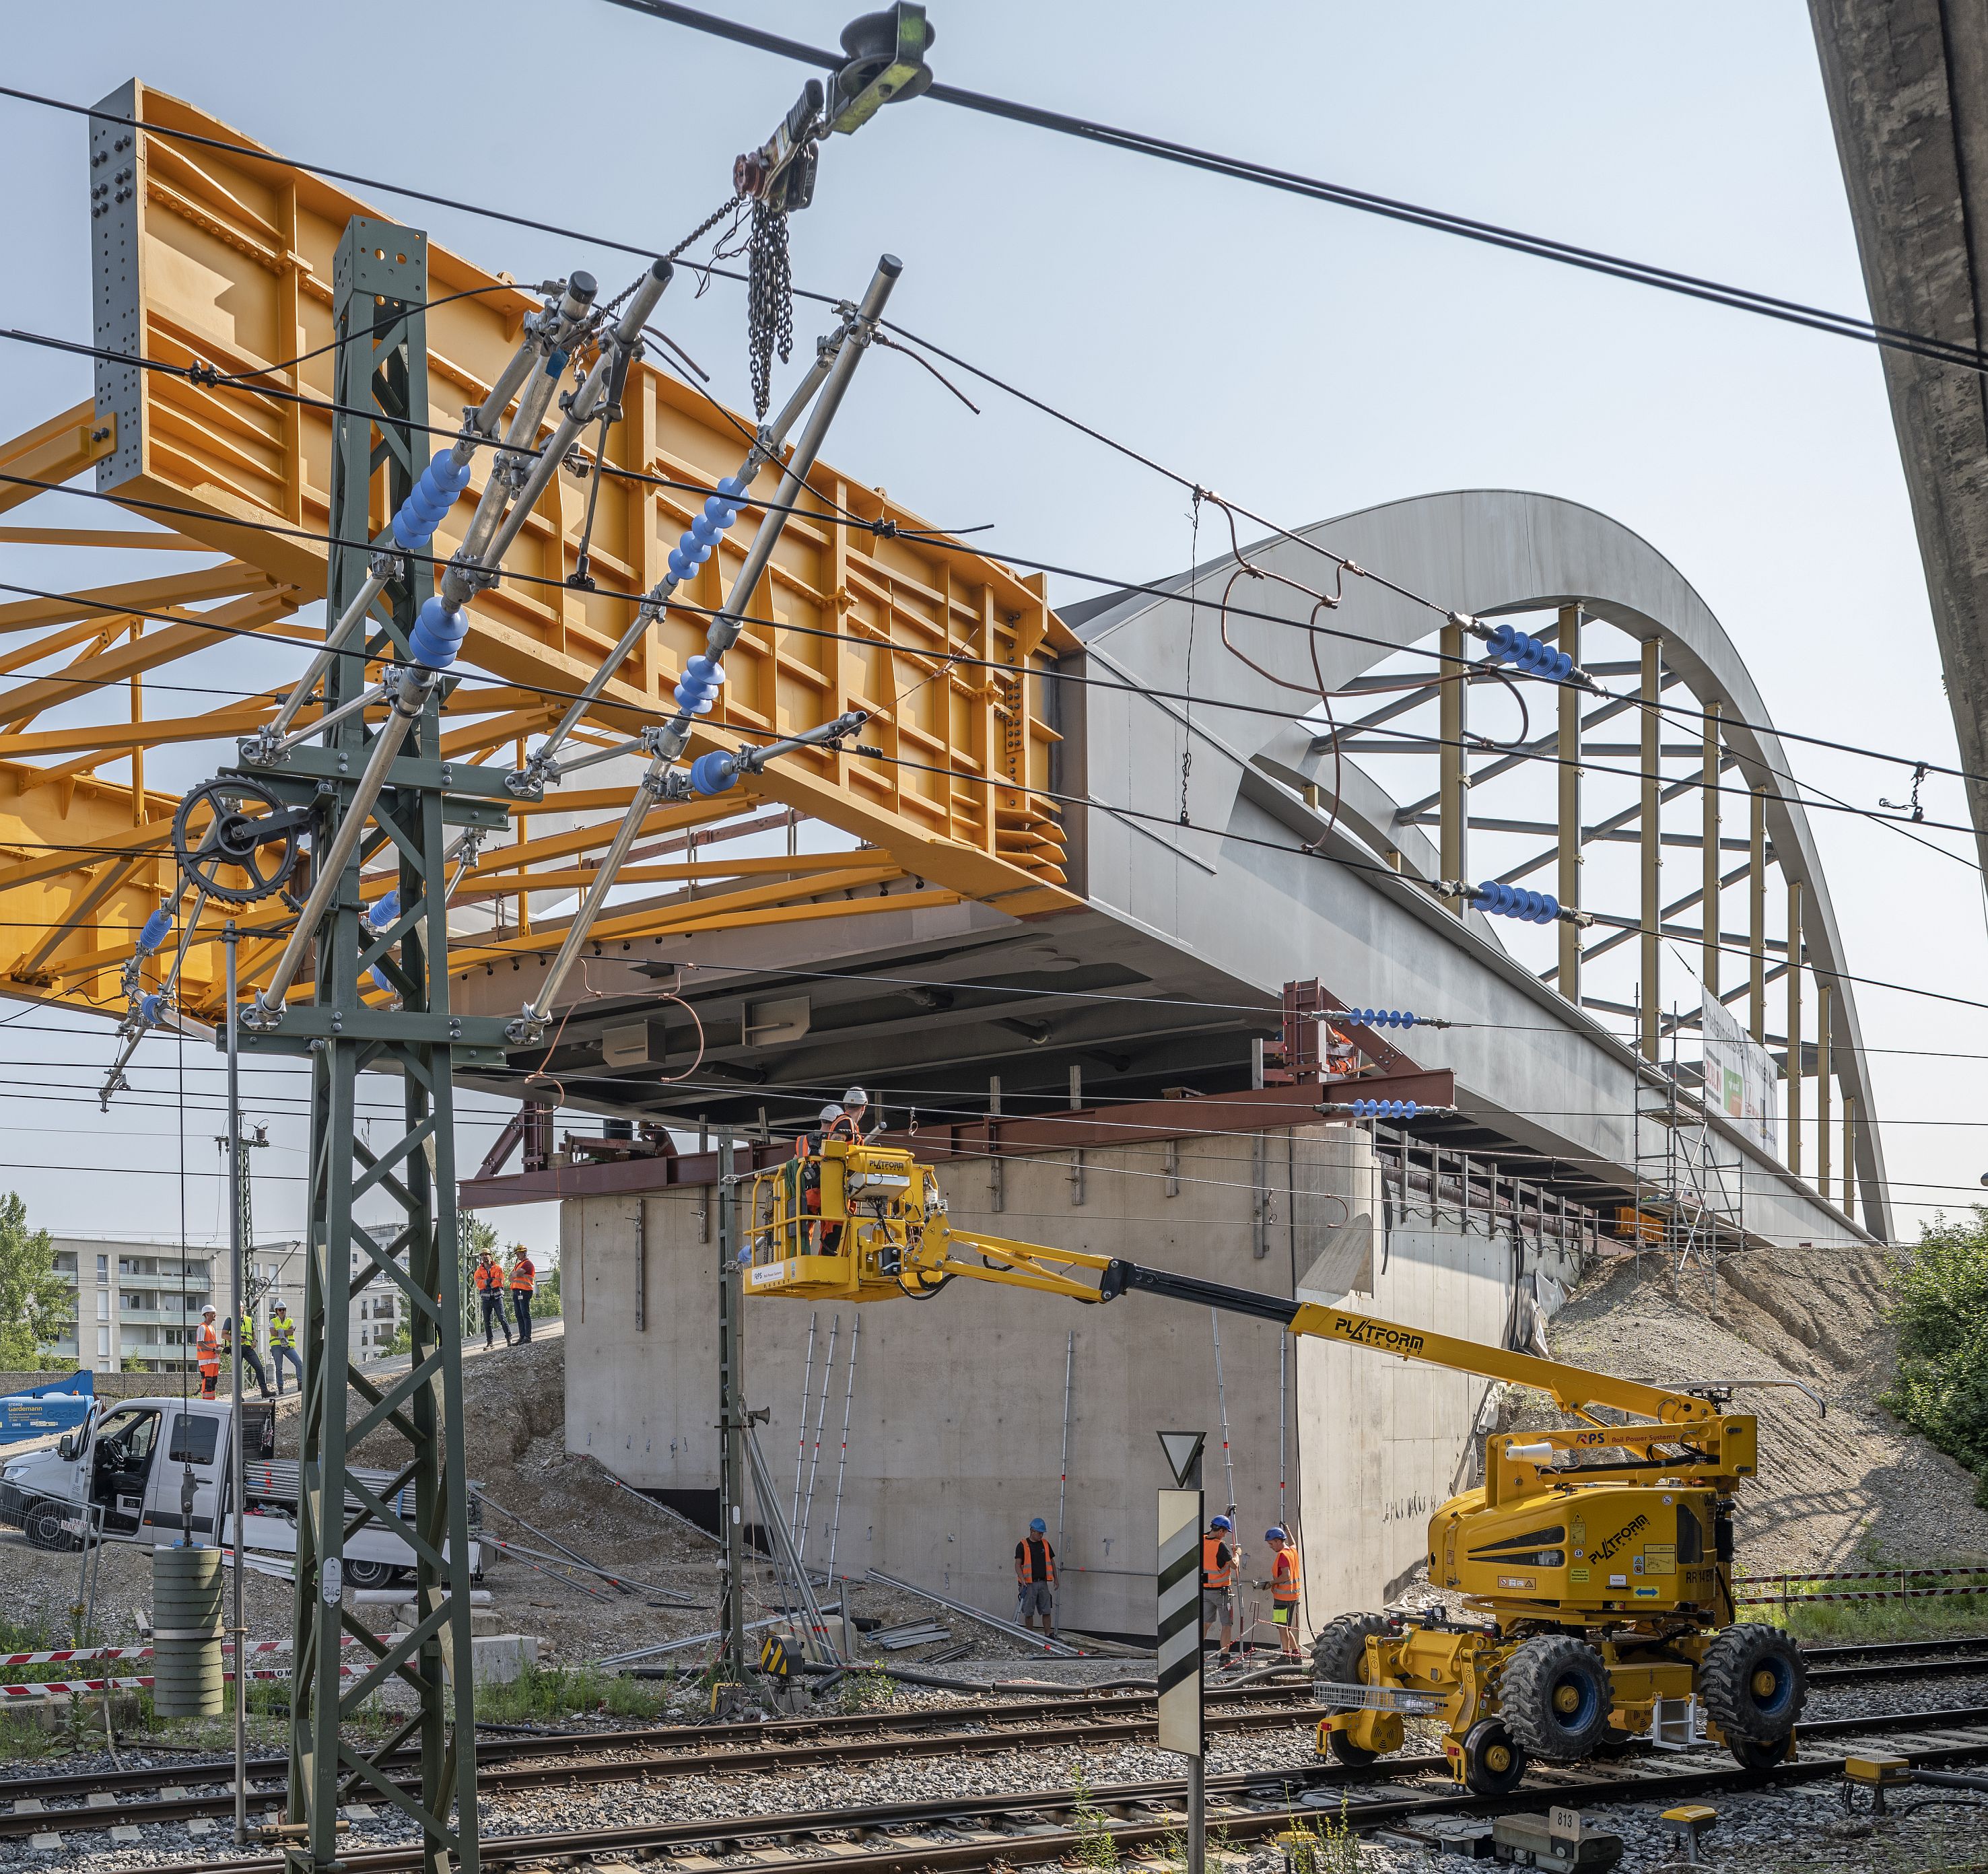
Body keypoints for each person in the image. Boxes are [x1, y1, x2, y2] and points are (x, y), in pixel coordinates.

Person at [1201, 1513, 1238, 1665]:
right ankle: (1224, 1658)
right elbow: (1234, 1565)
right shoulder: (1221, 1546)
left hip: (1205, 1591)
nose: (1224, 1537)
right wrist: (1237, 1554)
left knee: (1204, 1624)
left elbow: (1211, 1534)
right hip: (1221, 1592)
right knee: (1227, 1625)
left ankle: (1198, 1656)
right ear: (1222, 1531)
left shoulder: (1202, 1540)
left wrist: (1225, 1516)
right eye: (1225, 1533)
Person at [1015, 1516, 1058, 1639]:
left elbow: (1052, 1562)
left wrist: (1056, 1578)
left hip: (1042, 1583)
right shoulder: (1022, 1545)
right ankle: (1030, 1636)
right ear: (1032, 1531)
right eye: (1039, 1533)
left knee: (1046, 1610)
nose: (1041, 1536)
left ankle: (1048, 1635)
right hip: (1029, 1584)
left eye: (1042, 1533)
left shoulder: (1045, 1544)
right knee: (1029, 1612)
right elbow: (1018, 1565)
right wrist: (1022, 1580)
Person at [1262, 1527, 1302, 1658]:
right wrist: (1289, 1530)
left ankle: (1285, 1656)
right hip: (1292, 1597)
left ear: (1279, 1541)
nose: (1270, 1547)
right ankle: (1296, 1654)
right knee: (1287, 1627)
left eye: (1271, 1543)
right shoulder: (1292, 1551)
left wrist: (1271, 1583)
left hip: (1282, 1598)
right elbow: (1294, 1543)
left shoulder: (1283, 1555)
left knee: (1281, 1626)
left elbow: (1286, 1576)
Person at [219, 1313, 273, 1401]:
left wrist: (255, 1340)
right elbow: (224, 1335)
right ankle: (237, 1396)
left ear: (243, 1308)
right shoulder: (230, 1320)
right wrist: (236, 1338)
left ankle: (264, 1391)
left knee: (259, 1367)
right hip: (236, 1348)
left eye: (241, 1307)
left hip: (248, 1348)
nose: (240, 1308)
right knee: (237, 1372)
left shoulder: (248, 1319)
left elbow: (253, 1333)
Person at [473, 1248, 512, 1348]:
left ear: (490, 1256)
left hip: (497, 1297)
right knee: (487, 1321)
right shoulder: (478, 1272)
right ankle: (490, 1343)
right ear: (481, 1257)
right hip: (486, 1299)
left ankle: (509, 1339)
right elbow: (479, 1284)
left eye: (486, 1254)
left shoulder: (498, 1268)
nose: (484, 1256)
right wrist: (489, 1281)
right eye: (482, 1255)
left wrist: (486, 1282)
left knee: (502, 1318)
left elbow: (499, 1281)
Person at [268, 1302, 301, 1395]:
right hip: (277, 1346)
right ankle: (281, 1389)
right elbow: (273, 1333)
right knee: (279, 1368)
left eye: (284, 1309)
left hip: (288, 1346)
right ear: (276, 1311)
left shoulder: (289, 1321)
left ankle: (301, 1384)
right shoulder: (273, 1321)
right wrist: (286, 1332)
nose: (282, 1311)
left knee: (299, 1363)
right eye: (280, 1310)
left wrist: (280, 1331)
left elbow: (291, 1332)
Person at [508, 1245, 536, 1344]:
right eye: (516, 1254)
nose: (517, 1255)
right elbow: (510, 1277)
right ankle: (522, 1336)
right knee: (519, 1315)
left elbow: (516, 1275)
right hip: (517, 1291)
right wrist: (513, 1274)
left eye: (519, 1253)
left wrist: (514, 1274)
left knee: (525, 1314)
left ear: (524, 1253)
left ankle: (527, 1337)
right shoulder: (519, 1265)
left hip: (524, 1291)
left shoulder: (528, 1264)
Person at [195, 1304, 221, 1401]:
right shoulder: (202, 1328)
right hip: (206, 1360)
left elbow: (209, 1343)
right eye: (213, 1314)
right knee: (208, 1381)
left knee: (213, 1381)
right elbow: (200, 1344)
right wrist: (214, 1350)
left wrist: (218, 1346)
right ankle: (206, 1401)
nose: (215, 1315)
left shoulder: (211, 1328)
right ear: (207, 1314)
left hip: (213, 1359)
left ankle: (211, 1400)